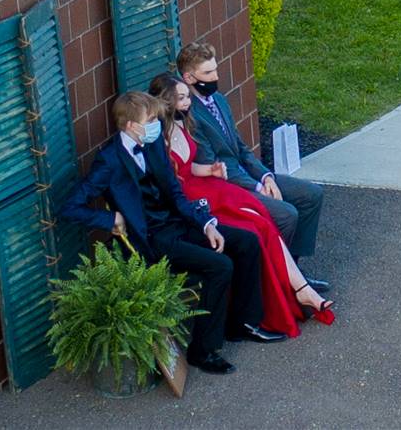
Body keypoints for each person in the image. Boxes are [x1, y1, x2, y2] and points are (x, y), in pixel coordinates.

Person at [60, 93, 279, 377]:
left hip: (176, 222)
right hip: (150, 238)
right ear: (129, 126)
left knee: (246, 241)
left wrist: (206, 224)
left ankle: (242, 323)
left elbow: (176, 194)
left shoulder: (152, 147)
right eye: (149, 121)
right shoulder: (109, 161)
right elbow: (70, 207)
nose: (155, 125)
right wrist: (108, 217)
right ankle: (203, 350)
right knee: (220, 266)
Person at [149, 76, 336, 337]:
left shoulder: (184, 124)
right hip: (194, 199)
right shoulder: (157, 139)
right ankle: (298, 290)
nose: (187, 101)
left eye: (187, 96)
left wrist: (210, 169)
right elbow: (171, 180)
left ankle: (299, 287)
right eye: (181, 98)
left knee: (263, 220)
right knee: (255, 230)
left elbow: (189, 165)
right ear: (165, 102)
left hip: (210, 185)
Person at [179, 43, 329, 282]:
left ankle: (295, 271)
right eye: (208, 73)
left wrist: (265, 177)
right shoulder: (191, 115)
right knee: (286, 214)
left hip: (247, 173)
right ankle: (282, 278)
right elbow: (214, 165)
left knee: (310, 194)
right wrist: (257, 188)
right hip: (228, 185)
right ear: (188, 77)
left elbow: (240, 147)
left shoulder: (218, 99)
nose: (215, 77)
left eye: (215, 70)